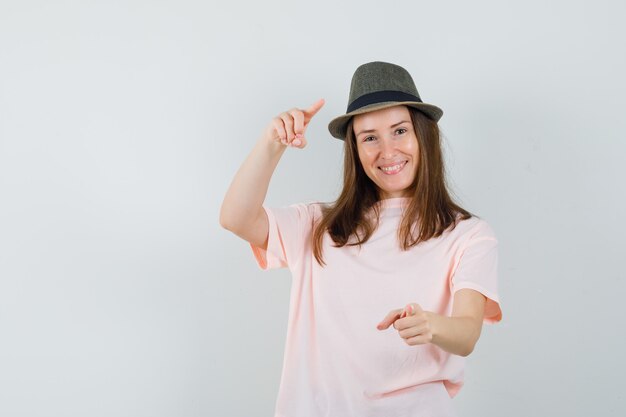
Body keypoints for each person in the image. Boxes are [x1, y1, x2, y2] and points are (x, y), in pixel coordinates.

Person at [220, 61, 502, 417]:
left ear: (423, 135)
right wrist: (271, 144)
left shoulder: (467, 234)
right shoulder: (318, 226)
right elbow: (234, 218)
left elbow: (467, 334)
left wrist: (431, 325)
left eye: (399, 131)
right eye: (369, 137)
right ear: (354, 149)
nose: (387, 151)